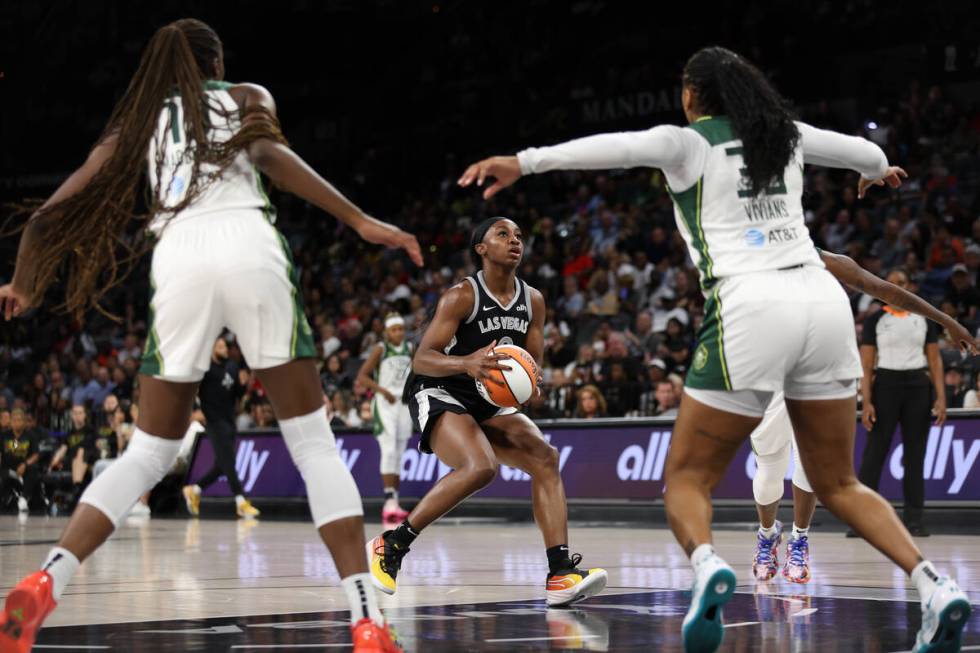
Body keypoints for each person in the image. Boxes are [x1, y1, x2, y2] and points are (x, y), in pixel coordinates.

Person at [460, 46, 970, 653]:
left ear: (693, 95)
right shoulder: (788, 135)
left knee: (686, 478)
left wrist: (524, 162)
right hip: (823, 301)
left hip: (751, 306)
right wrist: (871, 175)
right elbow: (870, 154)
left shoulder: (688, 143)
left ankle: (708, 568)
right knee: (839, 482)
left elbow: (616, 149)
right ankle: (934, 587)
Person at [0, 18, 421, 652]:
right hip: (249, 242)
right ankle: (367, 618)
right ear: (217, 59)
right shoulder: (247, 95)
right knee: (312, 445)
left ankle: (45, 579)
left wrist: (24, 279)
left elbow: (52, 211)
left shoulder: (139, 122)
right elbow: (272, 159)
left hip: (179, 254)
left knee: (146, 450)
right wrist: (359, 220)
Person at [367, 218, 607, 608]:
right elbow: (423, 359)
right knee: (480, 466)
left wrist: (530, 385)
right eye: (503, 234)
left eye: (519, 235)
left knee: (545, 458)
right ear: (481, 248)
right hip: (440, 387)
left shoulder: (534, 301)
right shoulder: (461, 296)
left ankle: (560, 573)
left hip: (486, 396)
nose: (514, 240)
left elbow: (531, 362)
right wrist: (466, 363)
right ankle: (390, 546)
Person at [750, 251, 979, 584]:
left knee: (809, 465)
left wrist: (945, 320)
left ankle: (799, 538)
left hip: (818, 374)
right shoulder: (750, 265)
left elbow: (885, 289)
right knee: (769, 470)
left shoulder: (820, 259)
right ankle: (767, 534)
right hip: (767, 375)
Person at [857, 269, 948, 537]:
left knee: (915, 455)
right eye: (892, 283)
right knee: (875, 453)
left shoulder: (924, 320)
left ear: (909, 286)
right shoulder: (875, 320)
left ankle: (915, 520)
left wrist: (941, 397)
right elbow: (866, 364)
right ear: (884, 288)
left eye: (902, 283)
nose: (897, 287)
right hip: (885, 384)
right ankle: (863, 520)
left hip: (918, 386)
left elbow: (934, 361)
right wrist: (867, 400)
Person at [182, 336, 260, 520]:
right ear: (211, 349)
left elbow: (237, 395)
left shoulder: (232, 367)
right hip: (214, 420)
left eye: (225, 345)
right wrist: (195, 411)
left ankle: (194, 489)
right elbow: (191, 391)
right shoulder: (204, 370)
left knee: (223, 464)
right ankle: (241, 502)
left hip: (229, 419)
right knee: (229, 462)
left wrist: (244, 384)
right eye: (220, 346)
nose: (224, 348)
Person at [356, 313, 414, 525]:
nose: (398, 332)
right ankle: (388, 500)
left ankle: (394, 502)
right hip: (385, 403)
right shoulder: (381, 349)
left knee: (399, 452)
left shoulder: (410, 349)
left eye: (401, 328)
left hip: (403, 404)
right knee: (388, 450)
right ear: (387, 332)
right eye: (394, 329)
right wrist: (382, 390)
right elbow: (362, 376)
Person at [47, 405, 96, 505]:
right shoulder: (70, 433)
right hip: (71, 461)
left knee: (81, 452)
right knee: (57, 461)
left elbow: (90, 448)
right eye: (75, 413)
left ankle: (76, 489)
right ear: (72, 416)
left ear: (85, 415)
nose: (78, 415)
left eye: (80, 413)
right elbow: (63, 448)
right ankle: (58, 498)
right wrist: (53, 462)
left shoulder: (90, 430)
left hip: (86, 461)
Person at [1, 409, 40, 514]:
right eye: (14, 420)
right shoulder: (4, 436)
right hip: (7, 468)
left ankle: (23, 499)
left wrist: (25, 464)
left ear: (24, 422)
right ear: (10, 421)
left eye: (19, 420)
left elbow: (36, 455)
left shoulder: (31, 436)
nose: (17, 423)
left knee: (34, 469)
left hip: (24, 468)